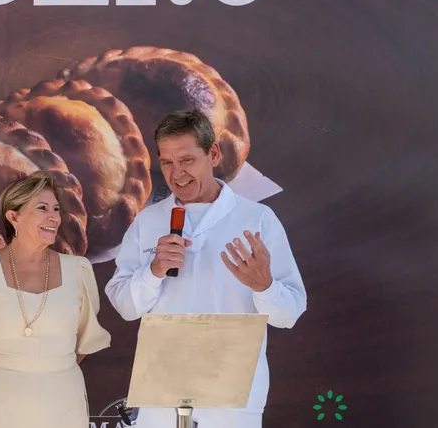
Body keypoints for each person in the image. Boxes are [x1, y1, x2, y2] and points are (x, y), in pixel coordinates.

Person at [104, 109, 307, 427]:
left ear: (213, 154)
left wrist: (265, 286)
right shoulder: (148, 221)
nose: (177, 174)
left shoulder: (257, 219)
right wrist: (153, 272)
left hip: (232, 399)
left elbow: (289, 313)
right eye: (167, 162)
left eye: (187, 160)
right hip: (161, 396)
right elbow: (125, 307)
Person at [0, 170, 112, 428]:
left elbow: (87, 339)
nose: (54, 217)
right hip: (0, 403)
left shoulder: (78, 271)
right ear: (13, 217)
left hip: (64, 402)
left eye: (56, 209)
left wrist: (52, 370)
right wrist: (4, 373)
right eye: (42, 208)